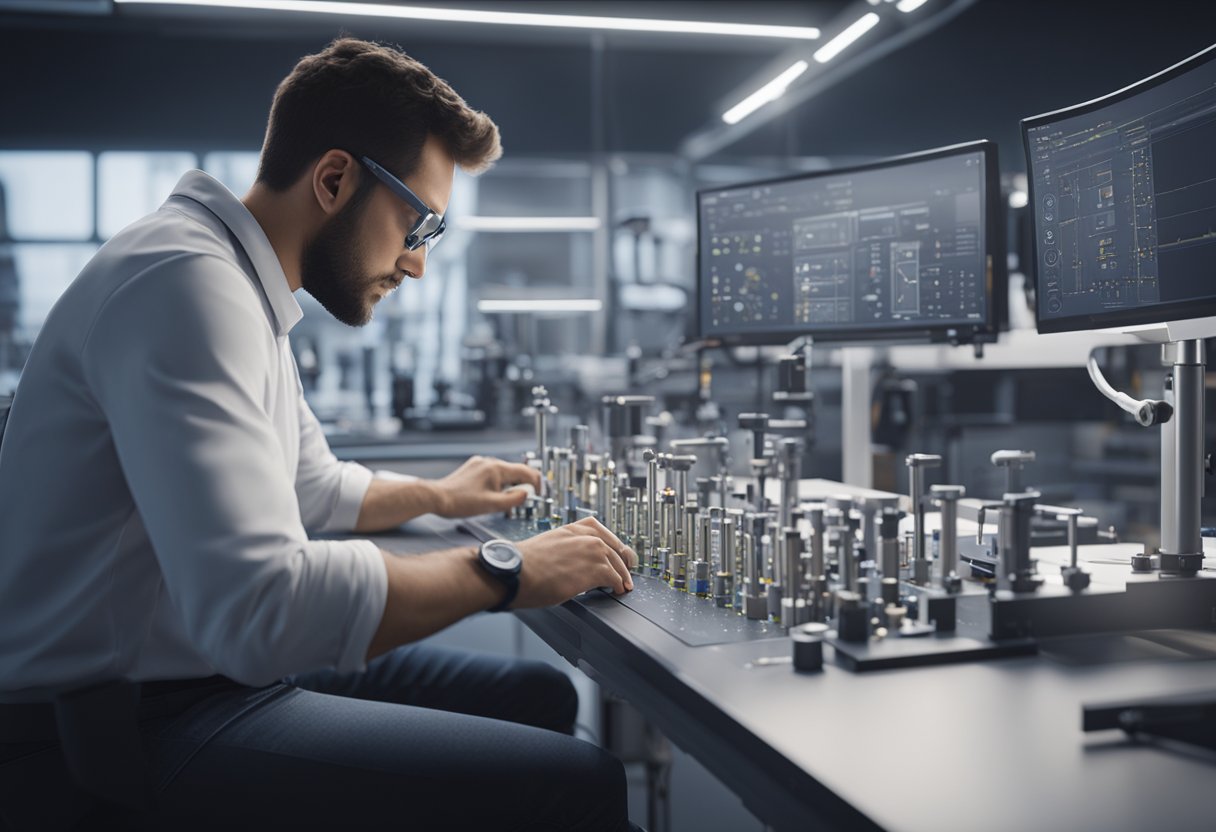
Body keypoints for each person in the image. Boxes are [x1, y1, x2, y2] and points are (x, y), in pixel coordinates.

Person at [0, 37, 639, 831]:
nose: (416, 265)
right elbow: (260, 612)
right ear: (336, 179)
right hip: (114, 730)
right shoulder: (185, 284)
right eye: (419, 224)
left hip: (195, 679)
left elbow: (311, 487)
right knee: (575, 782)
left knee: (538, 694)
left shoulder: (235, 280)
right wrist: (506, 567)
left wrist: (439, 494)